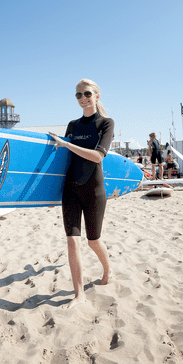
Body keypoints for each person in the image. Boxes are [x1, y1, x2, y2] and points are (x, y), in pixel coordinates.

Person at [49, 78, 114, 309]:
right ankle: (79, 294)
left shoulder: (105, 123)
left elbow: (97, 156)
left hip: (94, 190)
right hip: (70, 189)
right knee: (72, 242)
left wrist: (67, 144)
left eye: (86, 93)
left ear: (96, 96)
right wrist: (49, 194)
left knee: (93, 241)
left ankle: (107, 270)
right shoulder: (72, 125)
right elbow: (62, 162)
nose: (82, 98)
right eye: (78, 95)